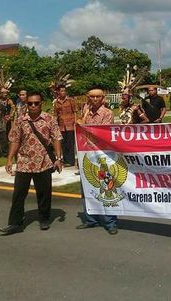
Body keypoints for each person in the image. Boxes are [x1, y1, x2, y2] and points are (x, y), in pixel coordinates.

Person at [0, 92, 63, 236]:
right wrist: (9, 159)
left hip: (44, 163)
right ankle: (14, 223)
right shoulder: (21, 120)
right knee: (19, 194)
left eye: (36, 103)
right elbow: (15, 140)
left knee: (44, 193)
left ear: (42, 103)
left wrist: (59, 158)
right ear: (26, 104)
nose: (33, 106)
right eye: (30, 103)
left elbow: (57, 138)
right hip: (24, 163)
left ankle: (44, 219)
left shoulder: (49, 119)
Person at [76, 88, 118, 234]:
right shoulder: (86, 111)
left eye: (97, 97)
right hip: (86, 154)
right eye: (91, 96)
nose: (94, 99)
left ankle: (110, 222)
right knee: (87, 187)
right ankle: (91, 218)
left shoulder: (107, 113)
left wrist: (84, 126)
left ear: (103, 98)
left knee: (107, 188)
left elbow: (102, 132)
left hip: (102, 155)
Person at [53, 85, 78, 166]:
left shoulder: (70, 100)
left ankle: (71, 161)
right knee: (63, 143)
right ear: (58, 92)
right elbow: (56, 114)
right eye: (61, 91)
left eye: (64, 91)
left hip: (70, 124)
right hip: (61, 125)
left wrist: (75, 121)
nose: (63, 92)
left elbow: (75, 111)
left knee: (70, 143)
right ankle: (66, 160)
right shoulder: (56, 102)